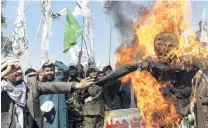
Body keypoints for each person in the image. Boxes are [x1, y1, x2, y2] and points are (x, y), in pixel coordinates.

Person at [1, 59, 94, 128]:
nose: (20, 71)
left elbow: (55, 86)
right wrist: (4, 71)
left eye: (20, 68)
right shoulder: (2, 89)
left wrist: (77, 85)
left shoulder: (31, 86)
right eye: (14, 69)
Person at [39, 60, 70, 128]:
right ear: (43, 72)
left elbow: (66, 69)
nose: (49, 72)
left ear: (54, 71)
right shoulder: (40, 85)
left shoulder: (59, 80)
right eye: (47, 71)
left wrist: (55, 62)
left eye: (51, 70)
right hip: (47, 118)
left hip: (60, 116)